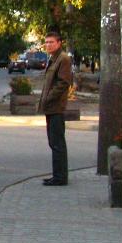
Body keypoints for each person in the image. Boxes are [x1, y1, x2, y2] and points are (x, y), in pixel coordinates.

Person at [38, 30, 73, 186]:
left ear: (59, 43)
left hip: (56, 107)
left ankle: (60, 177)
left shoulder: (63, 59)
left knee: (57, 143)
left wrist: (49, 97)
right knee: (53, 142)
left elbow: (63, 83)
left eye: (51, 42)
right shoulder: (54, 58)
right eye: (46, 42)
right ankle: (57, 175)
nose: (48, 45)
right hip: (50, 107)